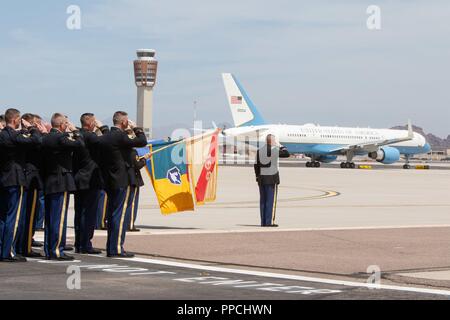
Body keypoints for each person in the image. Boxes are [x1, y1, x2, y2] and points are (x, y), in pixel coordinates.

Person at [99, 111, 147, 258]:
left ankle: (111, 247)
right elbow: (142, 141)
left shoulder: (106, 136)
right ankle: (116, 248)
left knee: (113, 213)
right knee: (120, 215)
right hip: (123, 179)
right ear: (124, 122)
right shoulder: (120, 136)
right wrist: (137, 128)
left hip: (111, 179)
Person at [0, 108, 41, 262]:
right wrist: (31, 127)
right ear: (16, 120)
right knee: (14, 218)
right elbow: (36, 140)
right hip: (15, 178)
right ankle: (8, 252)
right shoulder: (14, 136)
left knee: (3, 217)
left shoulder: (2, 135)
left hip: (4, 178)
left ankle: (2, 249)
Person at [42, 113, 84, 260]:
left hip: (49, 180)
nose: (67, 125)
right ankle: (56, 250)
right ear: (61, 125)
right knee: (59, 218)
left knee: (50, 218)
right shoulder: (60, 138)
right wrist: (75, 132)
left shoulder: (46, 137)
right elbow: (80, 144)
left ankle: (49, 249)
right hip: (61, 181)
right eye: (65, 123)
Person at [73, 113, 109, 254]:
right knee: (89, 214)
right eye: (93, 121)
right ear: (89, 123)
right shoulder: (90, 136)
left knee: (79, 213)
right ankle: (85, 244)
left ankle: (79, 243)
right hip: (90, 180)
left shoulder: (78, 135)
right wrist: (103, 128)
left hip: (79, 178)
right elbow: (107, 141)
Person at [14, 113, 47, 258]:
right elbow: (40, 142)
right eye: (37, 124)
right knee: (29, 216)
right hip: (31, 179)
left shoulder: (22, 136)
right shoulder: (31, 137)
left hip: (25, 178)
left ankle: (21, 244)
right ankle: (25, 247)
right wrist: (37, 130)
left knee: (24, 216)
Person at [254, 134, 289, 227]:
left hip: (261, 179)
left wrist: (257, 176)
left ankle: (263, 222)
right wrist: (281, 146)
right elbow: (286, 154)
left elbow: (256, 165)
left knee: (263, 201)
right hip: (271, 179)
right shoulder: (274, 150)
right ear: (272, 141)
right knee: (269, 201)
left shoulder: (259, 151)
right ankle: (268, 223)